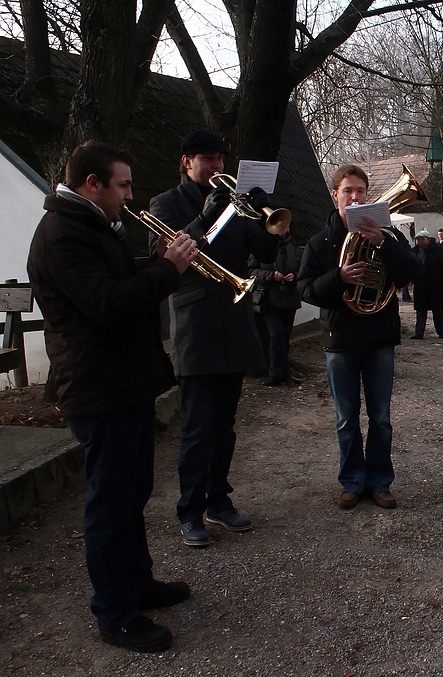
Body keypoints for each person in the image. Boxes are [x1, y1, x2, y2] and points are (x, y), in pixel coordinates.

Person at [27, 141, 198, 652]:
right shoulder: (62, 234)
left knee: (132, 494)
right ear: (92, 184)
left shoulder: (93, 226)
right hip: (98, 388)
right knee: (110, 504)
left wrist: (158, 266)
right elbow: (108, 303)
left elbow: (121, 286)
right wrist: (168, 269)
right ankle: (116, 614)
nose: (129, 194)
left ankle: (137, 584)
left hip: (123, 382)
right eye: (122, 185)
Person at [149, 130, 279, 547]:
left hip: (235, 322)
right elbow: (163, 255)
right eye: (208, 159)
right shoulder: (166, 204)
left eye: (221, 159)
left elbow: (265, 253)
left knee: (224, 426)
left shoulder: (236, 204)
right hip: (197, 327)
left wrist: (263, 217)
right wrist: (206, 215)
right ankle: (190, 510)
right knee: (197, 427)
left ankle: (219, 501)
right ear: (187, 162)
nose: (217, 166)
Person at [298, 164, 420, 510]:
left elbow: (413, 271)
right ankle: (352, 481)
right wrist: (339, 278)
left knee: (381, 418)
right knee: (346, 419)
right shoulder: (319, 242)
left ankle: (380, 482)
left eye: (361, 191)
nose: (355, 197)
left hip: (379, 338)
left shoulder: (388, 236)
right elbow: (305, 289)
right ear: (335, 195)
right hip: (340, 341)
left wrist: (383, 243)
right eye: (348, 191)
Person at [249, 228, 302, 386]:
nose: (282, 230)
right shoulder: (262, 247)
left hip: (290, 297)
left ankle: (284, 371)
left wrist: (295, 276)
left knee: (285, 336)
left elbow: (305, 270)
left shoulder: (295, 247)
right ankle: (274, 372)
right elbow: (251, 270)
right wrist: (270, 275)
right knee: (276, 334)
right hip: (270, 298)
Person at [410, 230, 443, 339]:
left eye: (422, 239)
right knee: (421, 310)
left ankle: (441, 331)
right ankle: (419, 332)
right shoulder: (415, 251)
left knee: (437, 310)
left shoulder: (437, 250)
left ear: (427, 239)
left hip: (435, 285)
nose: (420, 241)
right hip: (420, 285)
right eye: (418, 239)